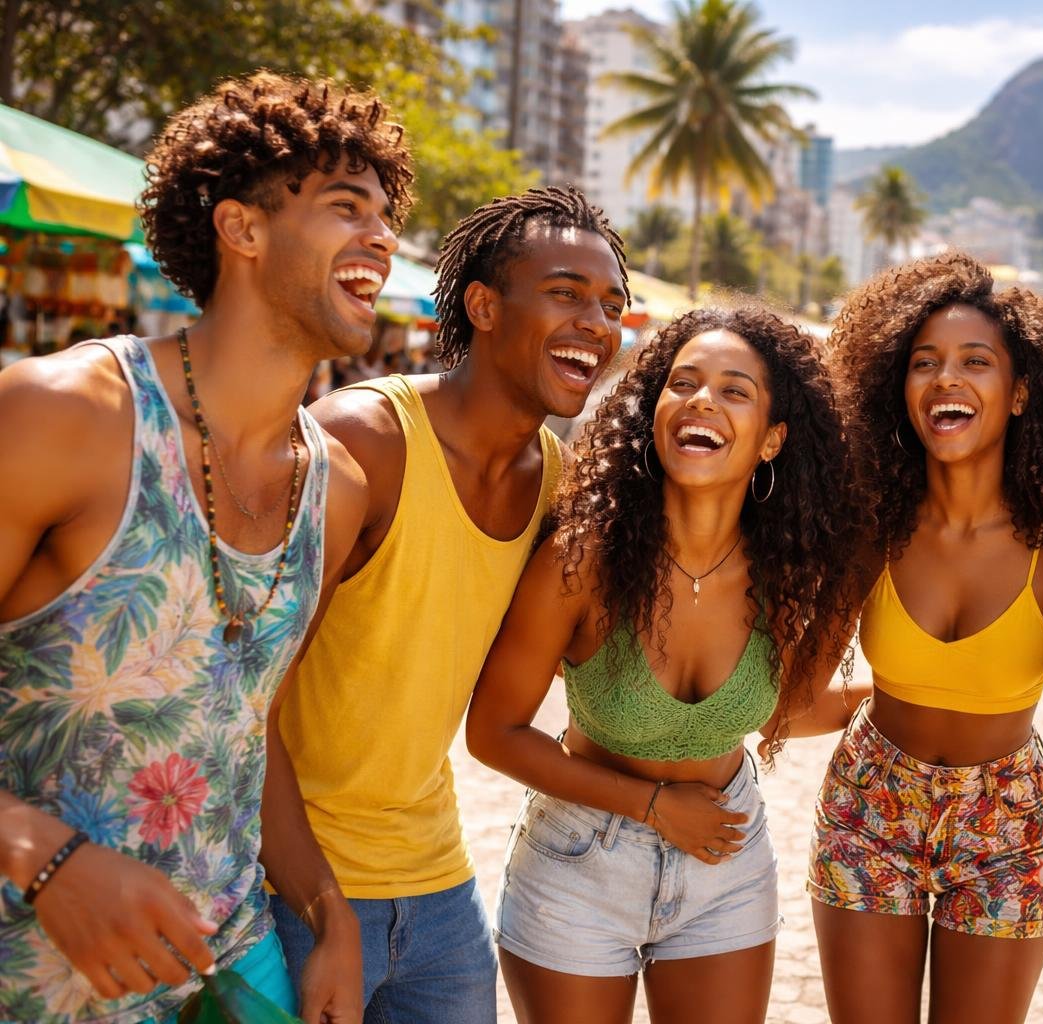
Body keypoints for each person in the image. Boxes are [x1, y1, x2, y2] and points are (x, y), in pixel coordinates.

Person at [0, 72, 407, 1022]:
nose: (383, 238)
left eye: (387, 216)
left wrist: (326, 909)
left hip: (232, 973)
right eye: (347, 208)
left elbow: (243, 719)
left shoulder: (336, 489)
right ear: (243, 228)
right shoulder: (67, 416)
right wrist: (42, 857)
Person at [266, 187, 628, 1022]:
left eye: (611, 305)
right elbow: (247, 697)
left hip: (438, 889)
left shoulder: (558, 483)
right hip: (294, 884)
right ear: (483, 305)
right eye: (567, 293)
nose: (597, 324)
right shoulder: (364, 440)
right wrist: (321, 907)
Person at [464, 306, 862, 1022]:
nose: (703, 400)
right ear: (654, 414)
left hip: (727, 861)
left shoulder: (791, 572)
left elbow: (779, 710)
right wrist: (652, 808)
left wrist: (901, 701)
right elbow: (493, 733)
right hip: (578, 863)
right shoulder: (582, 561)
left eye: (735, 390)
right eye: (683, 383)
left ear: (772, 440)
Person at [808, 253, 1043, 1023]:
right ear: (898, 389)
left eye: (975, 362)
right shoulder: (870, 521)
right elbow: (788, 703)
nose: (947, 379)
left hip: (1007, 818)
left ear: (1019, 393)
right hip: (869, 807)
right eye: (925, 364)